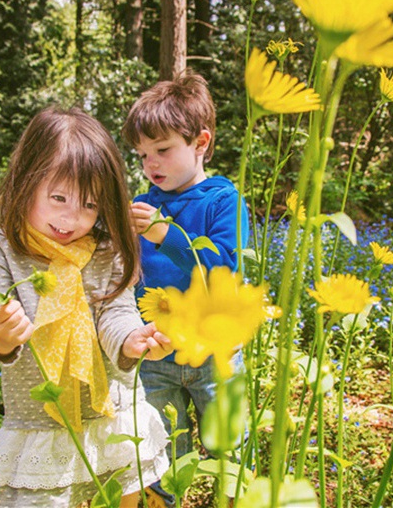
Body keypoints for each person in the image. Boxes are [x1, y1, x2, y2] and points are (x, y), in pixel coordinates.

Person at [0, 107, 172, 508]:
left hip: (113, 412)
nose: (71, 218)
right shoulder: (3, 249)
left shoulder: (105, 249)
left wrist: (131, 340)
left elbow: (116, 312)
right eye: (58, 198)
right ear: (25, 182)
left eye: (89, 205)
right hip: (40, 418)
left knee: (123, 493)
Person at [122, 71, 249, 506]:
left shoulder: (222, 200)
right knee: (159, 448)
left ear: (201, 142)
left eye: (162, 149)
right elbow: (132, 270)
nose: (150, 164)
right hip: (157, 353)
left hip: (215, 352)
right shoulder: (145, 205)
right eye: (142, 155)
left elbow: (223, 267)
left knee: (228, 445)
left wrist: (165, 233)